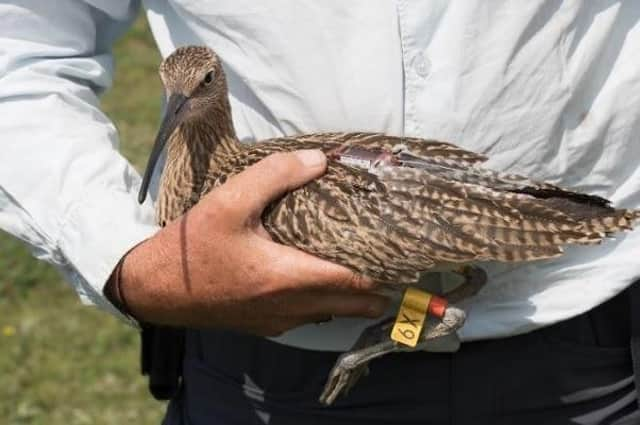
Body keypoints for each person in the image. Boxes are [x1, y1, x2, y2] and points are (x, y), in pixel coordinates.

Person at [1, 1, 639, 424]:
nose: (178, 106)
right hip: (265, 375)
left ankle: (411, 321)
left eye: (195, 91)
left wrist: (394, 329)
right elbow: (22, 44)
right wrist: (126, 260)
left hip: (588, 339)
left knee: (449, 278)